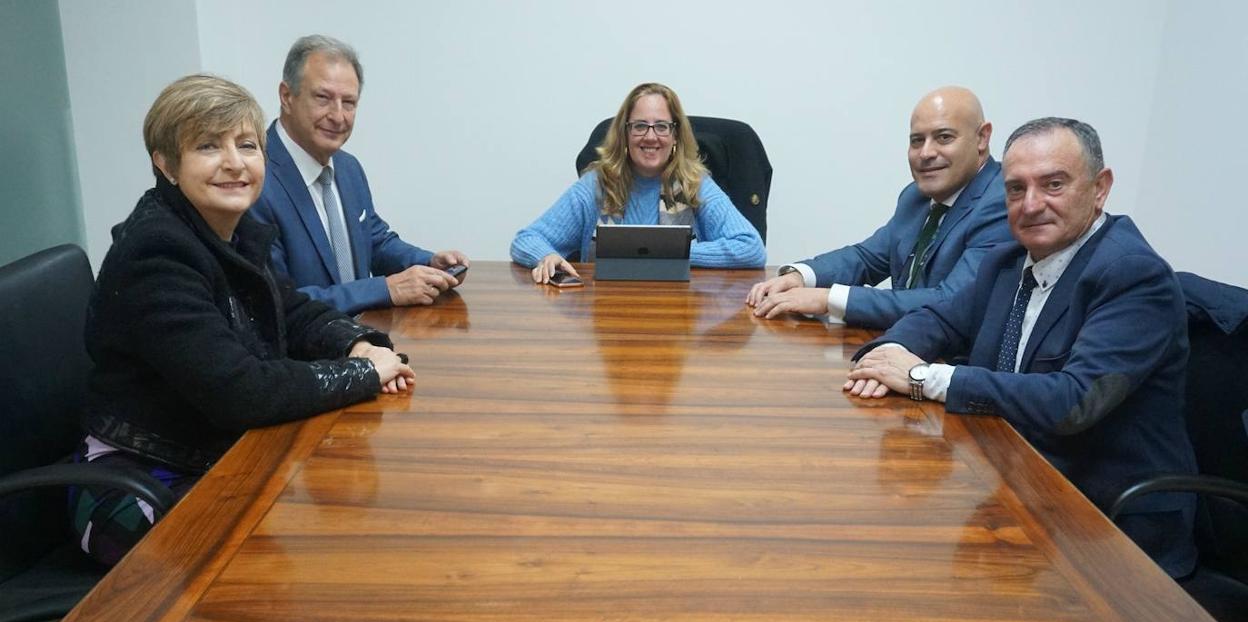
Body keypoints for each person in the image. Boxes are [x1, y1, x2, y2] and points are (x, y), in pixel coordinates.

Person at [78, 74, 416, 565]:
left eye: (247, 145)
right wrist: (362, 375)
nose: (234, 163)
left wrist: (356, 344)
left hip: (214, 455)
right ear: (166, 164)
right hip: (138, 479)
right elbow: (240, 391)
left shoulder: (231, 231)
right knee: (270, 578)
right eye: (208, 147)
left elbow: (293, 311)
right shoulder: (157, 253)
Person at [846, 118, 1197, 577]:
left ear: (1099, 188)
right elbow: (939, 318)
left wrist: (921, 379)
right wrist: (884, 357)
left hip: (1106, 527)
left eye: (1053, 184)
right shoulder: (1009, 260)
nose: (1031, 205)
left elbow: (1072, 402)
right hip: (1014, 485)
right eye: (1015, 189)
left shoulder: (1133, 276)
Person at [747, 86, 1013, 329]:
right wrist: (801, 276)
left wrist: (830, 299)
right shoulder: (916, 197)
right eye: (917, 140)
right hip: (899, 345)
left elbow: (950, 300)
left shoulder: (1002, 201)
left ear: (982, 137)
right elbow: (867, 257)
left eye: (943, 138)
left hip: (953, 365)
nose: (926, 153)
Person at [250, 35, 470, 315]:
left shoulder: (348, 167)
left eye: (349, 102)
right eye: (323, 98)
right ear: (286, 96)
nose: (338, 116)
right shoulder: (253, 179)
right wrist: (385, 289)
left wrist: (428, 263)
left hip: (366, 339)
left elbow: (374, 240)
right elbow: (278, 301)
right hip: (305, 352)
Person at [511, 82, 765, 284]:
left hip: (681, 316)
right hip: (607, 316)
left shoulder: (694, 183)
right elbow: (526, 239)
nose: (651, 137)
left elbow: (751, 248)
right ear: (625, 134)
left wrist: (672, 257)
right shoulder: (597, 184)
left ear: (675, 135)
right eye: (640, 126)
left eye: (662, 127)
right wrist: (546, 256)